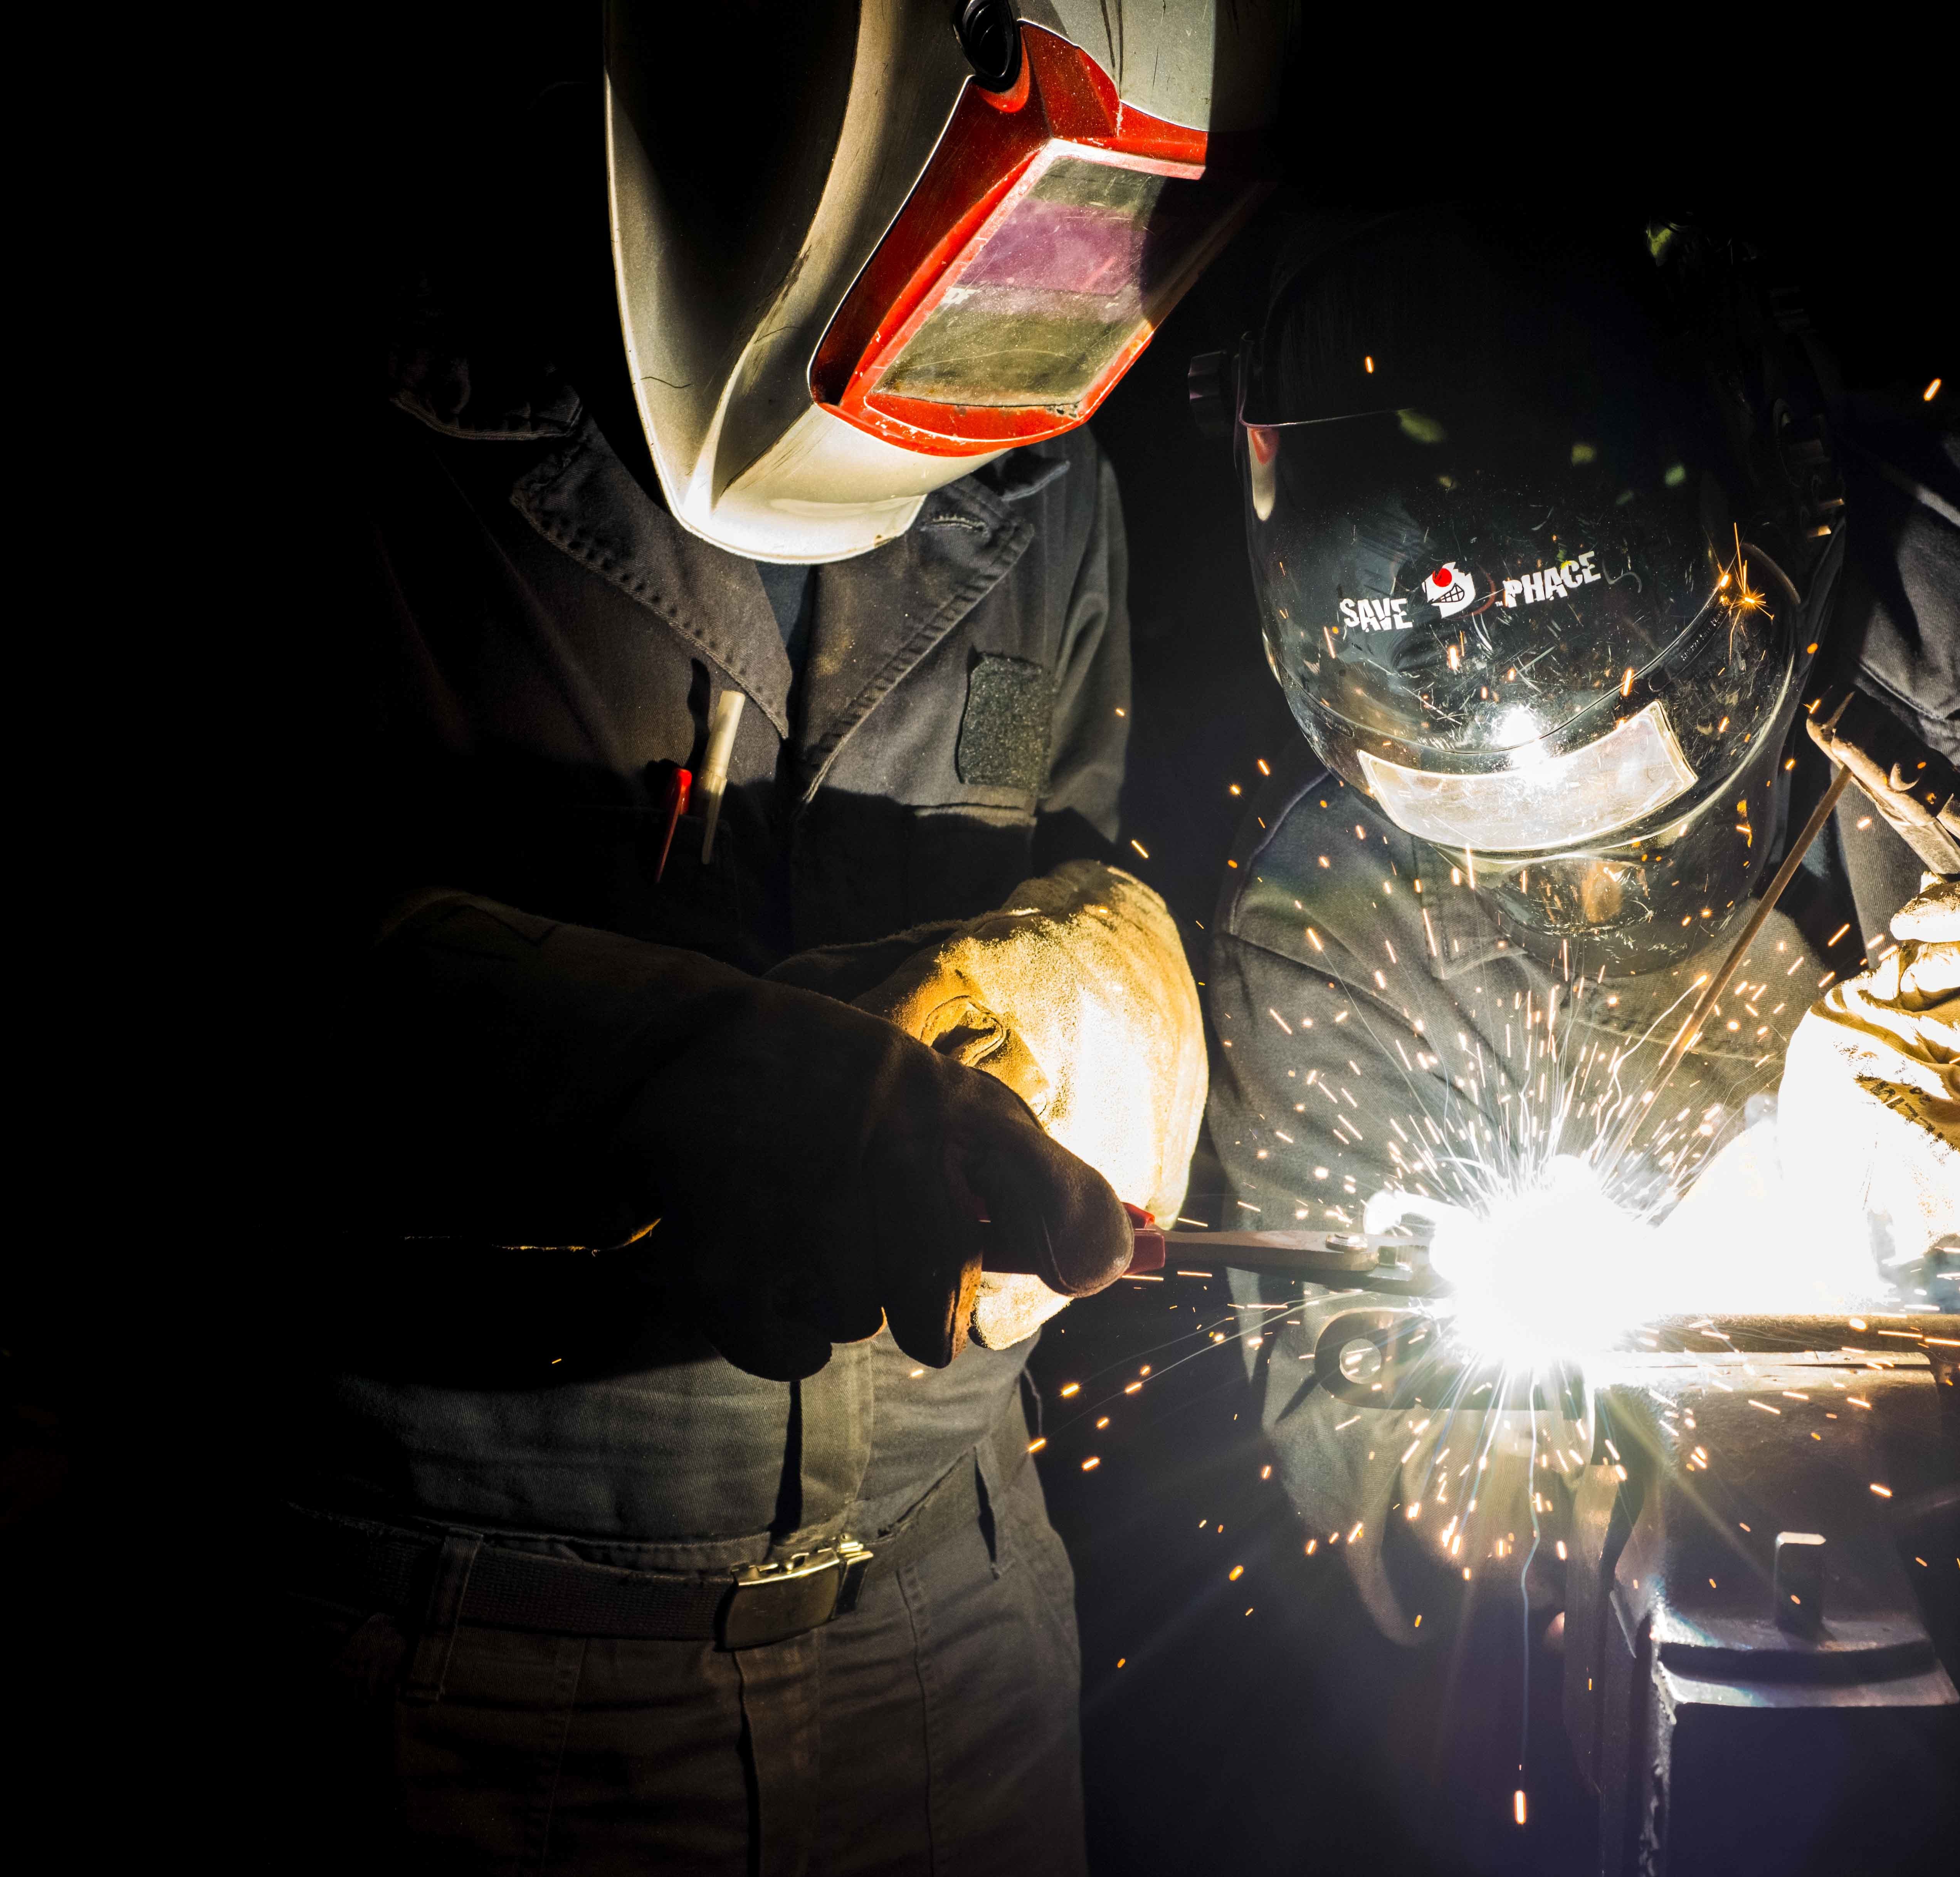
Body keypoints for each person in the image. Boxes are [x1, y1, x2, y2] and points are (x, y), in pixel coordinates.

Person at [280, 6, 1276, 1870]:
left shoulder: (1043, 480)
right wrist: (687, 1079)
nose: (1012, 327)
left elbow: (1086, 843)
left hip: (953, 1625)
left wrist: (1095, 977)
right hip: (452, 1661)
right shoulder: (361, 410)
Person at [1194, 209, 1960, 1631]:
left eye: (1629, 763)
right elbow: (1412, 1505)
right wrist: (1708, 1467)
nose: (1578, 867)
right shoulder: (1330, 928)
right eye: (1478, 817)